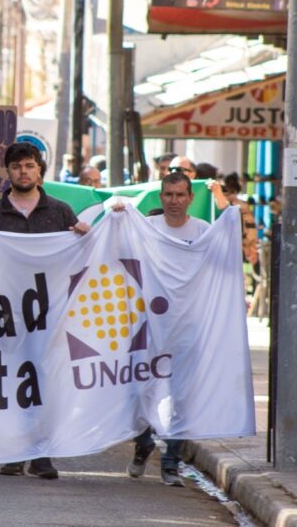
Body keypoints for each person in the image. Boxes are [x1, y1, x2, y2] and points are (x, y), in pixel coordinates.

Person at [0, 142, 90, 481]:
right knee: (12, 381)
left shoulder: (61, 212)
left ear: (40, 170)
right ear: (7, 172)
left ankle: (42, 454)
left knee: (47, 383)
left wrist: (86, 236)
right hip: (7, 316)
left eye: (29, 165)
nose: (23, 172)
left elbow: (81, 260)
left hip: (49, 317)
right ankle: (14, 452)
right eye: (16, 167)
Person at [126, 171, 210, 487]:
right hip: (149, 328)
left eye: (180, 195)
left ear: (190, 198)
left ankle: (171, 462)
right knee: (138, 391)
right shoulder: (146, 228)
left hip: (188, 328)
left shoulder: (203, 232)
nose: (174, 201)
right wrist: (119, 217)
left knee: (182, 396)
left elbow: (223, 266)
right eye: (168, 195)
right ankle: (144, 442)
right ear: (161, 197)